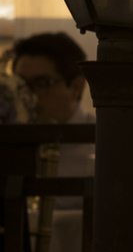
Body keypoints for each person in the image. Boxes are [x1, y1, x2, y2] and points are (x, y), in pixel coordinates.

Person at [10, 32, 94, 178]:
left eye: (41, 83)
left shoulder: (102, 146)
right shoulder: (10, 140)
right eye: (21, 84)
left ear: (76, 87)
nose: (28, 95)